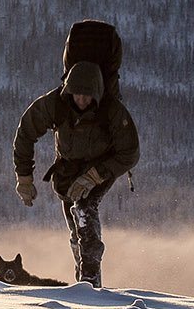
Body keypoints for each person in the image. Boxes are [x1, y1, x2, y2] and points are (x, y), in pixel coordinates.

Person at [11, 60, 139, 287]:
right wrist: (24, 178)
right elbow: (26, 133)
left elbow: (129, 153)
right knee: (74, 225)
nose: (81, 100)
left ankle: (89, 282)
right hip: (67, 170)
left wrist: (94, 176)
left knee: (84, 209)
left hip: (101, 167)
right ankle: (82, 278)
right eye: (77, 94)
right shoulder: (55, 103)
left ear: (97, 93)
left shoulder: (111, 111)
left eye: (87, 96)